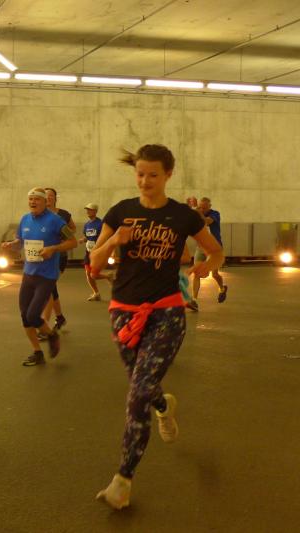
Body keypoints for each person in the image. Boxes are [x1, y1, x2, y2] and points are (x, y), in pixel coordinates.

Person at [90, 144, 223, 510]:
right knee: (144, 387)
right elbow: (94, 262)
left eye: (153, 175)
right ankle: (164, 405)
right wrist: (114, 240)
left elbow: (215, 251)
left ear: (168, 175)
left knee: (137, 393)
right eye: (140, 174)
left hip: (166, 312)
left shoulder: (182, 215)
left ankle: (123, 479)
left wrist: (206, 265)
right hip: (124, 311)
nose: (145, 181)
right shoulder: (121, 212)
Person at [2, 188, 77, 366]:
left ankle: (51, 335)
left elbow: (72, 242)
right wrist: (11, 245)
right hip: (28, 274)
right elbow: (20, 242)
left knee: (33, 315)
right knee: (25, 316)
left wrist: (53, 249)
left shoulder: (55, 220)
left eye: (36, 199)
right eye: (30, 199)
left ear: (45, 202)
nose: (33, 202)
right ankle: (37, 352)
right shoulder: (25, 219)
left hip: (47, 276)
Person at [42, 187, 76, 331]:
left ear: (55, 198)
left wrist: (64, 237)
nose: (48, 197)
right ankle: (60, 317)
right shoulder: (40, 214)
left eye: (51, 195)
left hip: (59, 256)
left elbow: (73, 228)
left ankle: (45, 324)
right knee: (51, 288)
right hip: (44, 256)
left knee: (48, 289)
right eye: (46, 195)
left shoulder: (63, 214)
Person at [190, 197, 227, 307]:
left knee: (214, 274)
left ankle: (222, 288)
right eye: (201, 207)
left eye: (205, 208)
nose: (202, 210)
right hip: (201, 248)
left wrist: (198, 213)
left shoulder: (215, 214)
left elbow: (207, 222)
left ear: (209, 207)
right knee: (196, 273)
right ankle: (194, 300)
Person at [80, 203, 110, 301]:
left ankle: (108, 276)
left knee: (94, 275)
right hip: (88, 252)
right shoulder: (87, 224)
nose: (88, 211)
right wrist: (83, 239)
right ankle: (96, 293)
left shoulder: (100, 223)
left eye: (90, 210)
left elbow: (106, 236)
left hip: (98, 252)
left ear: (95, 211)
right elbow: (87, 237)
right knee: (88, 274)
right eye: (87, 210)